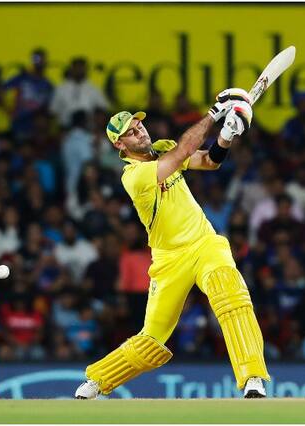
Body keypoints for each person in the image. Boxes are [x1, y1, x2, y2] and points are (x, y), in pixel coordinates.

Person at [75, 88, 270, 399]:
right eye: (131, 132)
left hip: (205, 243)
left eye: (139, 125)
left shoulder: (161, 149)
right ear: (119, 145)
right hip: (168, 259)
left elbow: (209, 161)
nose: (140, 131)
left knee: (230, 295)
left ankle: (253, 378)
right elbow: (182, 152)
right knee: (152, 339)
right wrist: (214, 114)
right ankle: (97, 380)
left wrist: (227, 136)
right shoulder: (134, 176)